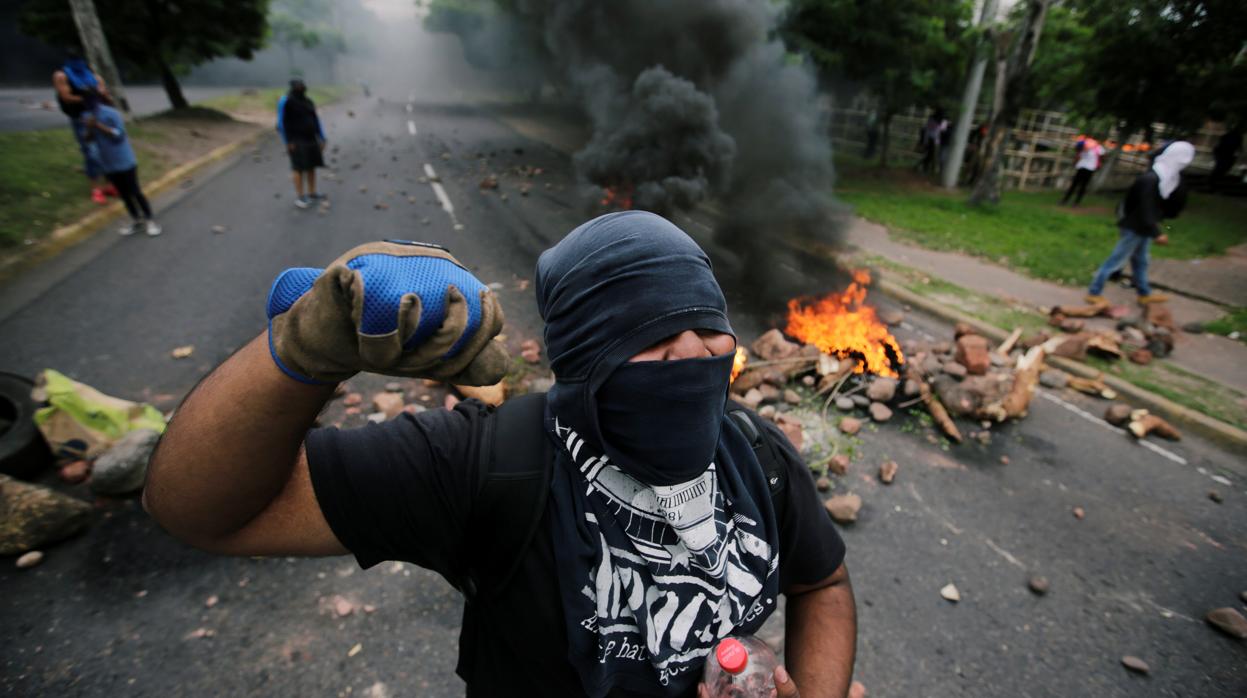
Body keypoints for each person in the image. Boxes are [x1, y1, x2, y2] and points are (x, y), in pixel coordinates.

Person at [144, 211, 858, 697]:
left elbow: (820, 584)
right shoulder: (485, 461)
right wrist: (301, 356)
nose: (692, 355)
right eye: (652, 335)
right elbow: (200, 512)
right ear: (582, 358)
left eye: (708, 327)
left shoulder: (751, 451)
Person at [1085, 141, 1194, 306]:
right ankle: (1094, 291)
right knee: (1116, 259)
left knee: (1141, 261)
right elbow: (1145, 208)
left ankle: (1144, 293)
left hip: (1143, 227)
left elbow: (1168, 205)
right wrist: (1156, 232)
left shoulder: (1166, 180)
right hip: (1134, 226)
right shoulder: (1150, 180)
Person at [85, 103, 161, 237]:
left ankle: (150, 220)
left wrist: (98, 125)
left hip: (124, 161)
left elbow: (119, 135)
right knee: (123, 194)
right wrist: (90, 128)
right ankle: (136, 219)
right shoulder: (86, 115)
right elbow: (87, 139)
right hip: (107, 163)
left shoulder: (110, 113)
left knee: (135, 191)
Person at [53, 49, 115, 205]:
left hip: (99, 115)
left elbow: (103, 92)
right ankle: (96, 188)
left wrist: (102, 94)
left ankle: (109, 185)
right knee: (91, 152)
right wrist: (87, 97)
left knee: (105, 150)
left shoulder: (92, 75)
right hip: (81, 118)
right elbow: (66, 97)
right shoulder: (62, 76)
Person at [276, 79, 326, 209]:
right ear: (292, 87)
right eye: (298, 86)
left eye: (302, 85)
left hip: (311, 138)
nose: (301, 87)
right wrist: (287, 141)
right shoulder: (285, 101)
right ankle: (300, 197)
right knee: (298, 167)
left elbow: (315, 119)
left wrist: (322, 137)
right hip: (296, 139)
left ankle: (312, 193)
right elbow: (281, 123)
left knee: (312, 166)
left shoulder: (308, 101)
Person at [1060, 135, 1105, 206]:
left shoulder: (1098, 148)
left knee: (1082, 186)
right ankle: (1066, 200)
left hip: (1090, 168)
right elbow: (1078, 153)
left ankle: (1075, 202)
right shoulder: (1084, 146)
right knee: (1075, 185)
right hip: (1082, 167)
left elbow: (1101, 157)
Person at [1209, 125, 1242, 193]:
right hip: (1223, 154)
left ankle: (1214, 181)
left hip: (1226, 154)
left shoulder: (1235, 137)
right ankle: (1213, 181)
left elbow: (1238, 147)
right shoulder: (1231, 137)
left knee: (1221, 168)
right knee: (1220, 167)